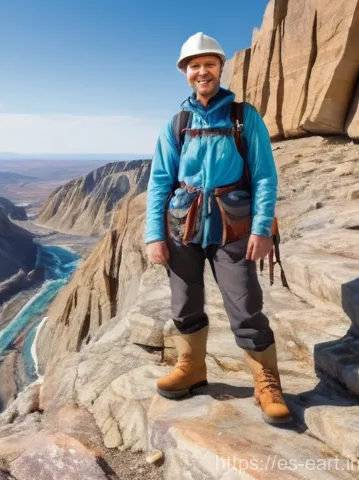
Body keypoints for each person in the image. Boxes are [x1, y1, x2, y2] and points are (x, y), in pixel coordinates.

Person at [144, 32, 291, 425]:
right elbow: (160, 181)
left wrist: (261, 229)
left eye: (209, 64)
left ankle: (266, 383)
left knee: (244, 304)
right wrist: (154, 235)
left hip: (234, 226)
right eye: (194, 66)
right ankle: (192, 368)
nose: (201, 72)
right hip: (183, 227)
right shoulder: (177, 124)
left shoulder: (244, 117)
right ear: (185, 73)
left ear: (221, 68)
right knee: (184, 302)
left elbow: (264, 176)